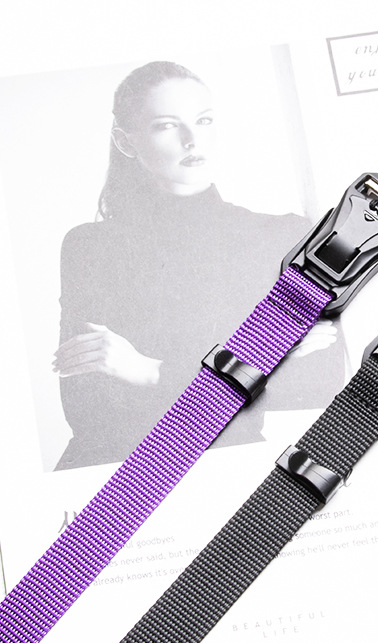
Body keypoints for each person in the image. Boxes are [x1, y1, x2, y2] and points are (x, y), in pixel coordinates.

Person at [52, 61, 342, 470]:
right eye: (166, 125)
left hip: (231, 467)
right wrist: (259, 359)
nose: (192, 139)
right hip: (109, 471)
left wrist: (148, 371)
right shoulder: (89, 246)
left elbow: (317, 385)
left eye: (203, 120)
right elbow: (88, 410)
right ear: (125, 141)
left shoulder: (283, 236)